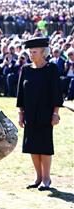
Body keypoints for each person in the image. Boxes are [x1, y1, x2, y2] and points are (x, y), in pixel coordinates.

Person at [17, 37, 63, 191]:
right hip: (29, 113)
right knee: (32, 146)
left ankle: (46, 179)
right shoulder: (26, 69)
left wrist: (55, 113)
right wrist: (20, 113)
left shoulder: (52, 69)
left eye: (34, 52)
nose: (31, 54)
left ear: (44, 52)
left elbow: (57, 92)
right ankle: (37, 177)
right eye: (30, 52)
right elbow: (20, 94)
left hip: (46, 113)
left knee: (44, 146)